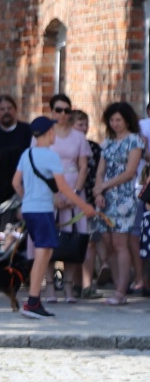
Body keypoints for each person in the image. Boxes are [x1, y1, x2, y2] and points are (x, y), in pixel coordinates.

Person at [12, 116, 97, 319]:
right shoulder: (51, 156)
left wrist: (27, 199)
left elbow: (15, 182)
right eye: (53, 130)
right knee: (43, 255)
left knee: (44, 254)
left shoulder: (27, 153)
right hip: (42, 210)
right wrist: (84, 206)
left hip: (30, 210)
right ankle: (33, 302)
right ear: (48, 132)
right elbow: (64, 188)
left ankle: (34, 301)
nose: (55, 135)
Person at [33, 95, 89, 303]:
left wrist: (75, 193)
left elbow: (83, 166)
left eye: (67, 110)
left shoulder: (78, 137)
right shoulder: (43, 134)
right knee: (48, 238)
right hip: (48, 190)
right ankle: (49, 287)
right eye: (58, 110)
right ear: (51, 111)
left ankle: (68, 287)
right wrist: (54, 195)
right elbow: (37, 165)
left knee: (73, 238)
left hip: (73, 188)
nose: (63, 114)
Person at [91, 101, 144, 306]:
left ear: (127, 120)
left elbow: (130, 172)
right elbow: (100, 170)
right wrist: (98, 190)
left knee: (120, 243)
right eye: (112, 120)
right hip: (105, 197)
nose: (114, 123)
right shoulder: (108, 142)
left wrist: (104, 185)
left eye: (118, 120)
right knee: (108, 244)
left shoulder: (134, 141)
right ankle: (116, 286)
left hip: (124, 197)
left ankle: (122, 291)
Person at [75, 110, 106, 298]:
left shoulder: (94, 147)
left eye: (86, 124)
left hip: (90, 199)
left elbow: (98, 174)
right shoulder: (66, 146)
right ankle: (75, 283)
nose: (84, 128)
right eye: (80, 124)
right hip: (71, 199)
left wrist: (98, 193)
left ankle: (87, 285)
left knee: (90, 241)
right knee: (74, 241)